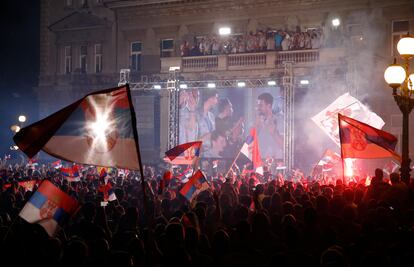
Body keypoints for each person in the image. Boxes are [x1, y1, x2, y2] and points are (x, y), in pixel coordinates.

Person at [254, 92, 283, 160]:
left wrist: (274, 134)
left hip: (276, 161)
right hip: (260, 161)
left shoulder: (279, 121)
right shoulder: (258, 122)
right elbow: (250, 142)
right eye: (258, 105)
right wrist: (257, 126)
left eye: (261, 105)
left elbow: (284, 146)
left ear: (269, 106)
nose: (258, 108)